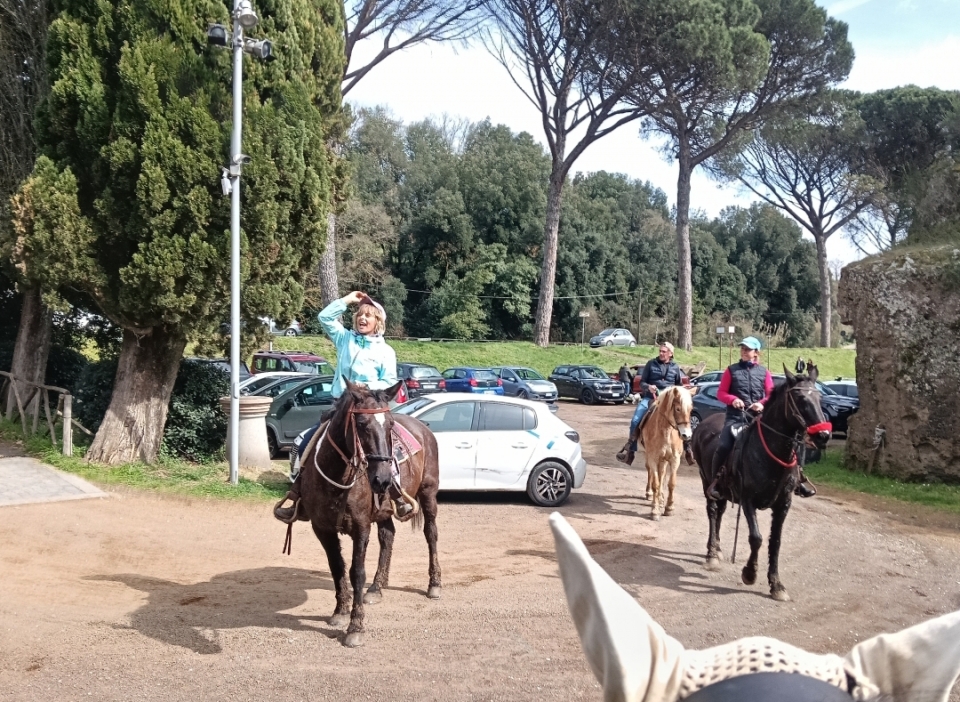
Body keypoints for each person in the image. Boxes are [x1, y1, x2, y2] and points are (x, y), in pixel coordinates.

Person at [275, 291, 401, 522]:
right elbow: (324, 318)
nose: (362, 319)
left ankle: (396, 495)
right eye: (360, 314)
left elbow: (389, 382)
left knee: (393, 447)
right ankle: (298, 496)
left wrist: (365, 387)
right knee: (304, 441)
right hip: (340, 409)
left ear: (378, 322)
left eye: (368, 316)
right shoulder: (345, 339)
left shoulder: (386, 351)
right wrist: (346, 301)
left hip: (370, 411)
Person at [706, 337, 815, 500]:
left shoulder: (764, 372)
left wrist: (762, 404)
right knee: (723, 445)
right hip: (736, 417)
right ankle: (716, 483)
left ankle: (798, 480)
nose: (744, 351)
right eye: (742, 348)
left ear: (755, 352)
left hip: (758, 418)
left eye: (747, 349)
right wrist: (732, 399)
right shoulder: (731, 370)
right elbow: (720, 393)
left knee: (790, 444)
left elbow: (771, 395)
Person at [618, 343, 682, 460]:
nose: (661, 353)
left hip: (669, 401)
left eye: (664, 351)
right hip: (650, 398)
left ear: (670, 354)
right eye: (660, 351)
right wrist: (648, 387)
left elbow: (679, 386)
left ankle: (688, 448)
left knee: (684, 418)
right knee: (635, 420)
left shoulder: (675, 367)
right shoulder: (650, 364)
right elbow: (642, 383)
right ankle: (630, 451)